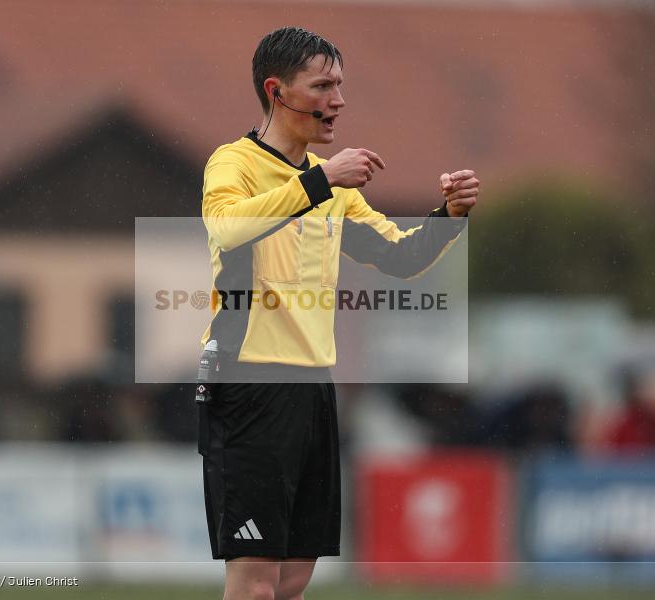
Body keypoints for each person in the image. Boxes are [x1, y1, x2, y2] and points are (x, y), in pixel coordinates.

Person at [198, 26, 478, 600]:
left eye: (340, 86)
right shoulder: (234, 164)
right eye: (322, 85)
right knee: (254, 584)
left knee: (294, 579)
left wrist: (447, 215)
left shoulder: (336, 193)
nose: (338, 101)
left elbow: (401, 259)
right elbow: (228, 229)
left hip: (313, 384)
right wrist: (320, 179)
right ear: (277, 92)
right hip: (248, 381)